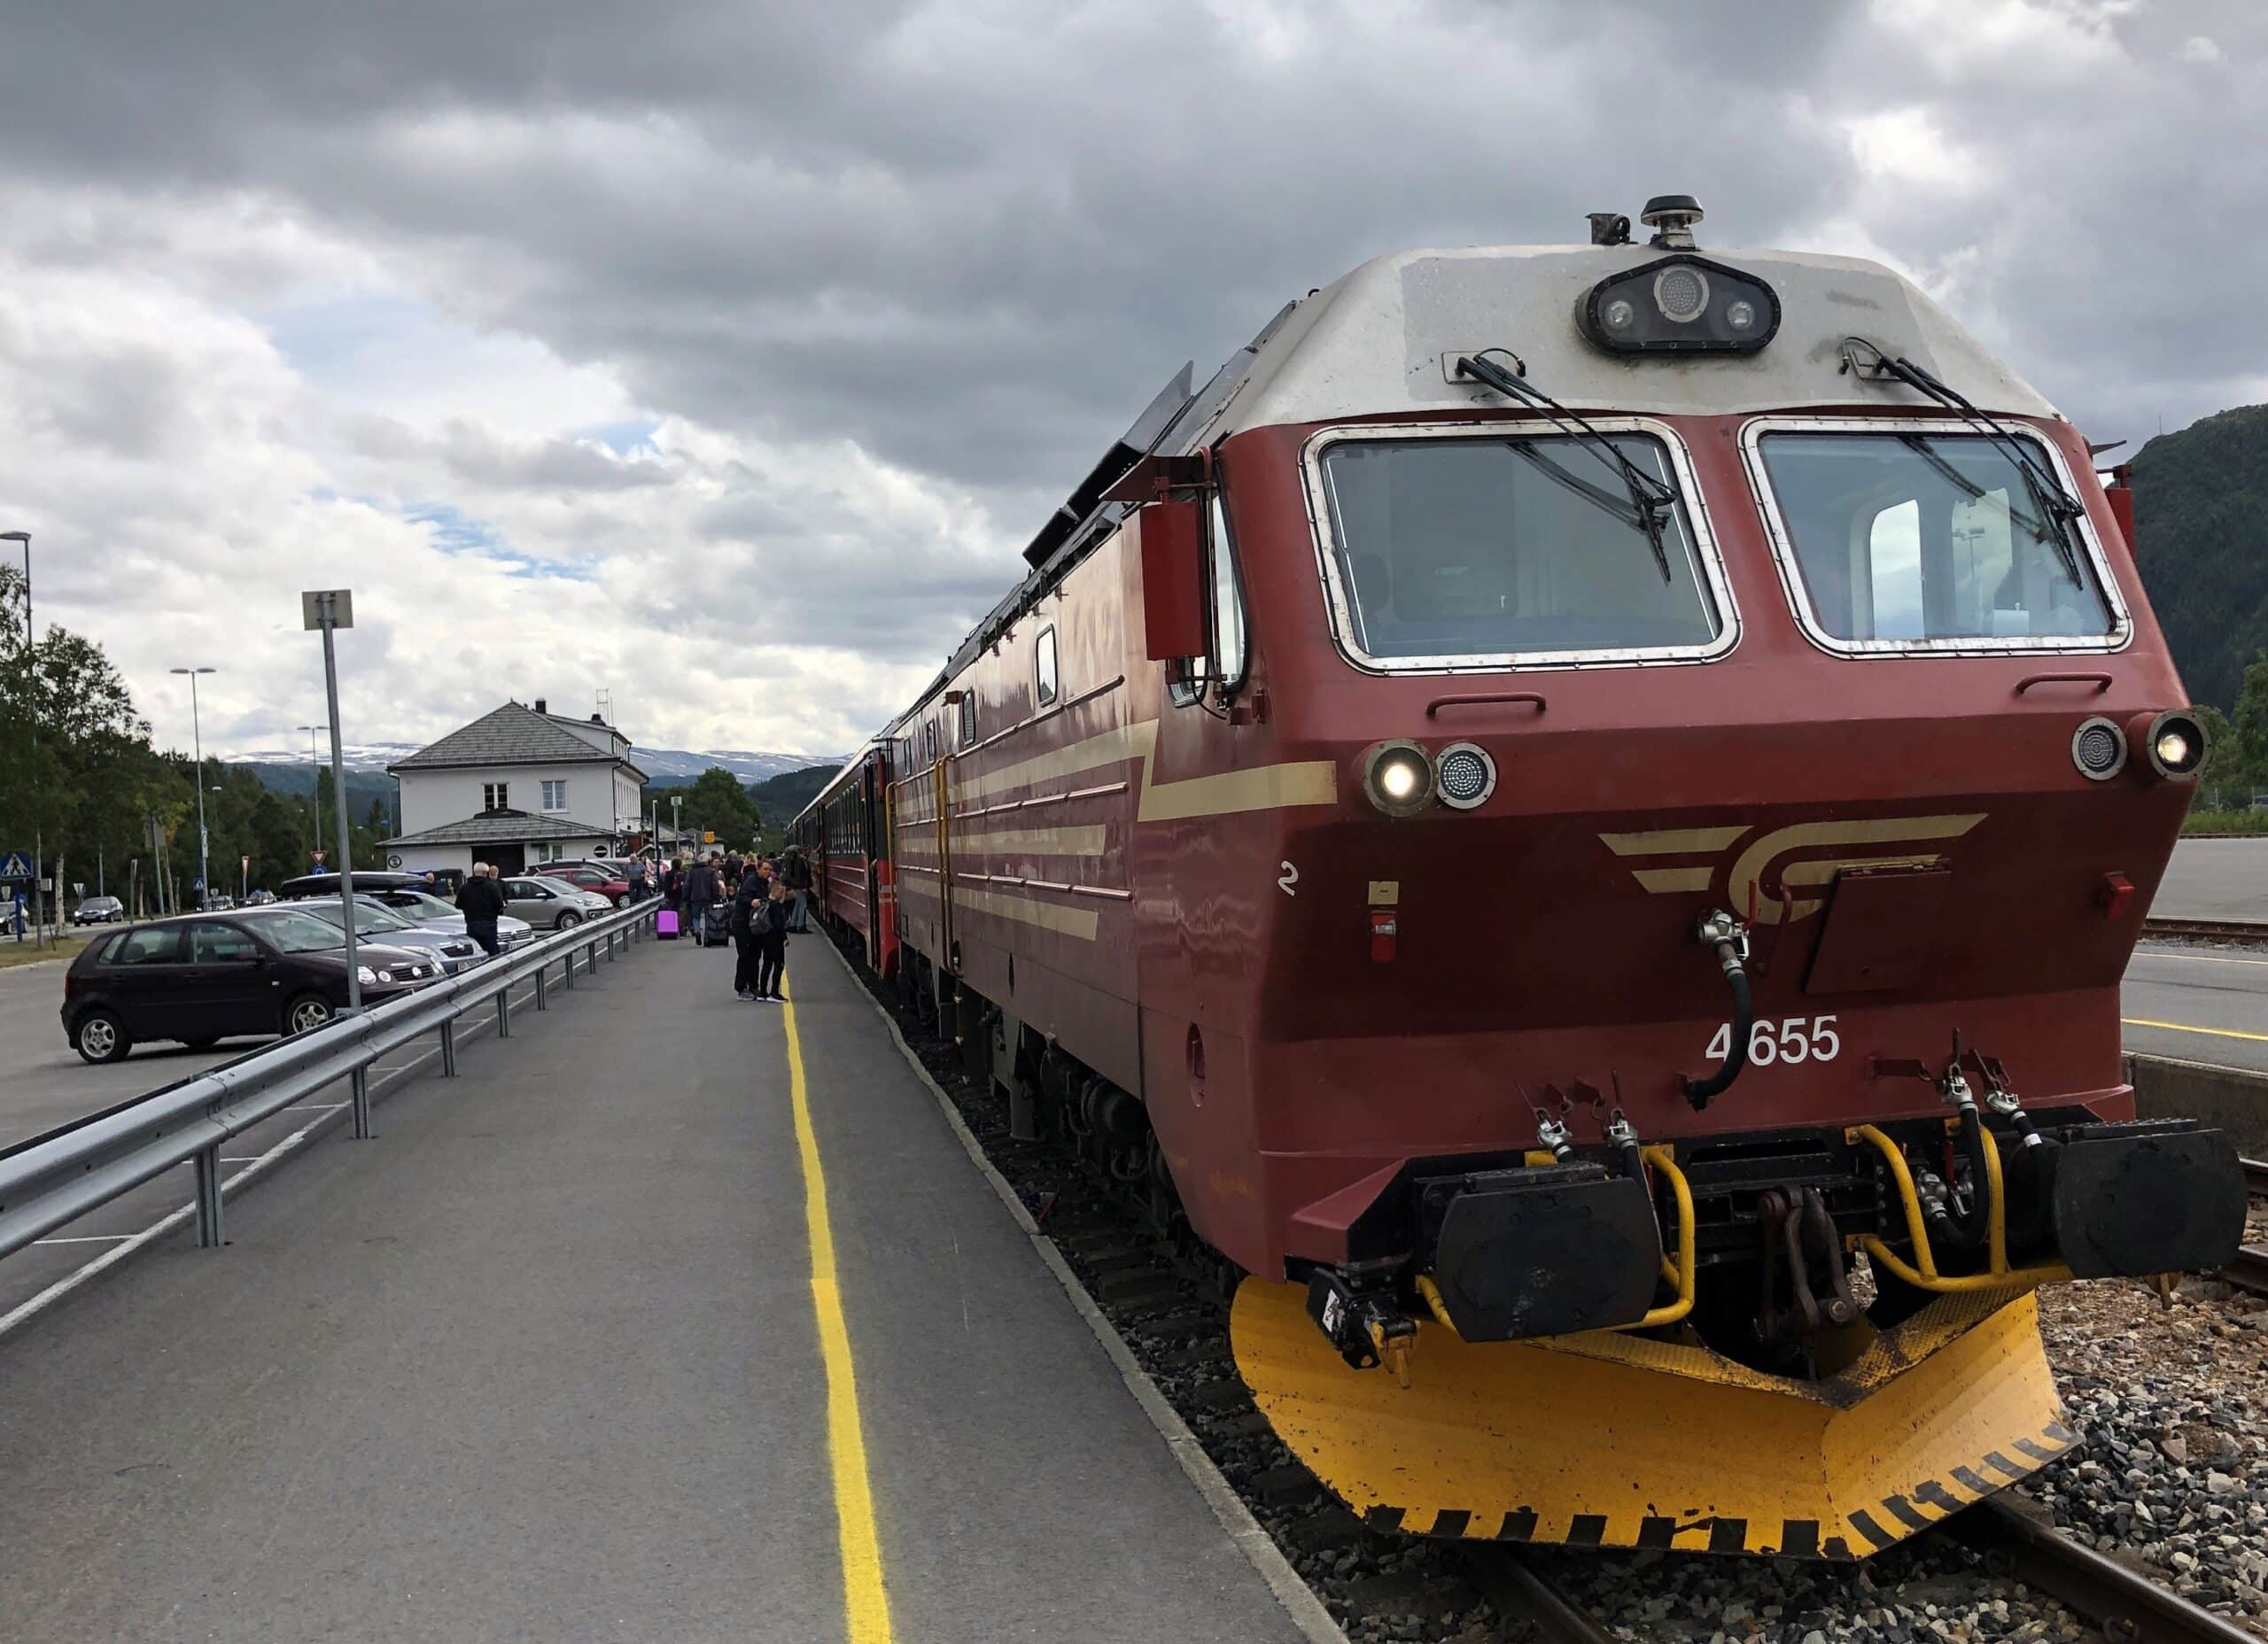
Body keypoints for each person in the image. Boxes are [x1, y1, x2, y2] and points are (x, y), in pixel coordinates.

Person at [729, 865, 765, 999]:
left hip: (753, 925)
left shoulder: (763, 883)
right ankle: (741, 987)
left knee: (754, 956)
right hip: (743, 924)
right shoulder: (750, 883)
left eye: (769, 870)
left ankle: (753, 986)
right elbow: (742, 899)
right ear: (759, 870)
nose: (768, 872)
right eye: (765, 869)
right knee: (745, 955)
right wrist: (752, 901)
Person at [754, 880, 793, 1002]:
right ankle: (774, 992)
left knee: (766, 964)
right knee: (779, 964)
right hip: (775, 939)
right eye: (781, 892)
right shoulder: (776, 906)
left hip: (765, 938)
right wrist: (784, 938)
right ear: (774, 891)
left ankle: (762, 992)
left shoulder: (765, 903)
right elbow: (778, 924)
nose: (783, 895)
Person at [457, 860, 505, 955]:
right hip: (489, 923)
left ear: (474, 872)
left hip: (472, 924)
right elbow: (500, 904)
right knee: (492, 951)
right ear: (485, 873)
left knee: (476, 951)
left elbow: (458, 905)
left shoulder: (465, 887)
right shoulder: (492, 887)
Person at [683, 853, 721, 948]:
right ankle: (707, 937)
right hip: (708, 898)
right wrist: (716, 896)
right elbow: (714, 885)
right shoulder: (710, 871)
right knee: (708, 918)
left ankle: (697, 932)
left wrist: (686, 897)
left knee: (696, 917)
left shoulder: (692, 871)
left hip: (695, 898)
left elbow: (687, 885)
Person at [785, 847, 814, 933]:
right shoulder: (800, 861)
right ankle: (801, 926)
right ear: (803, 851)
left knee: (797, 906)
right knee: (803, 905)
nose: (810, 852)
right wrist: (803, 886)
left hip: (798, 886)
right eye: (808, 850)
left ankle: (793, 925)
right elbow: (800, 876)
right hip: (800, 887)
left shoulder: (800, 860)